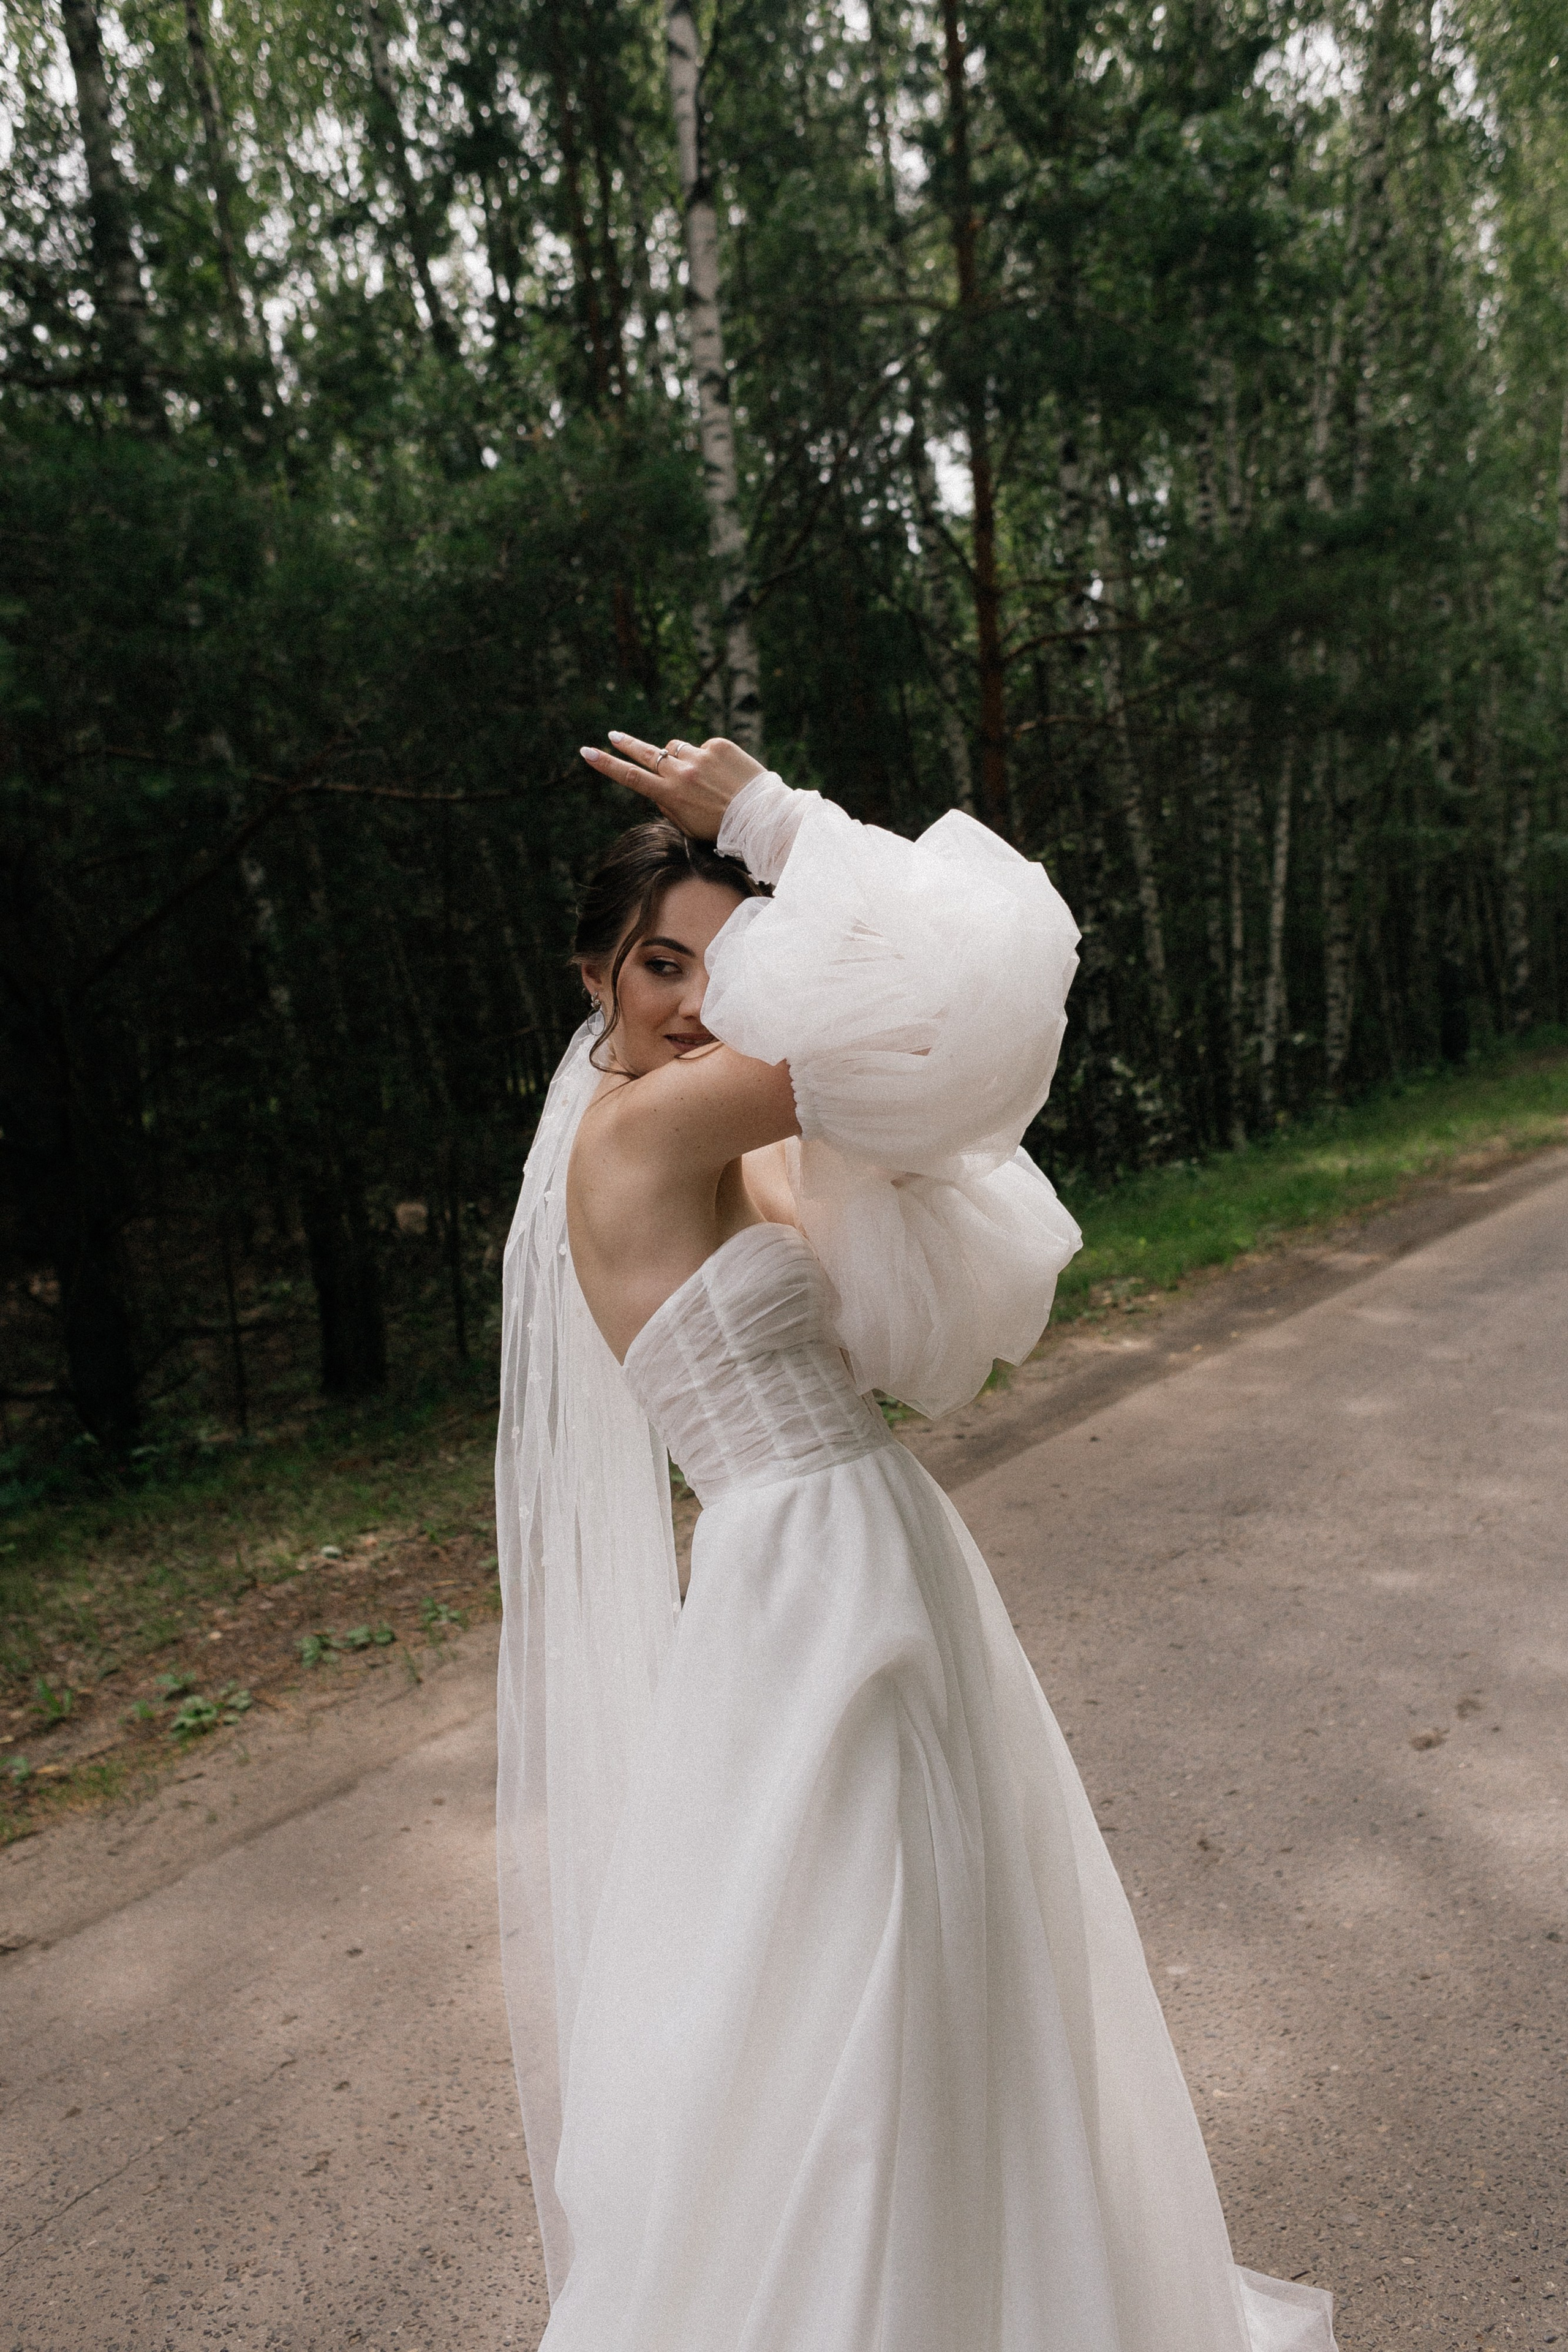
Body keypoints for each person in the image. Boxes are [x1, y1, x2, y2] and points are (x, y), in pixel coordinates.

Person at [494, 733, 1338, 2352]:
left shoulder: (735, 1147)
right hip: (801, 1573)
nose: (691, 1002)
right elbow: (959, 1012)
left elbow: (927, 1169)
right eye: (659, 964)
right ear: (592, 972)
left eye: (725, 970)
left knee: (941, 1944)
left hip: (874, 1545)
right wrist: (774, 821)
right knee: (852, 1970)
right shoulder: (636, 1138)